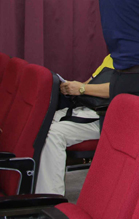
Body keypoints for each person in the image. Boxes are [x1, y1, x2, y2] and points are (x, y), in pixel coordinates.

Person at [35, 55, 113, 195]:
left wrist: (82, 89)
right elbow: (90, 84)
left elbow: (118, 88)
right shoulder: (111, 57)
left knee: (52, 133)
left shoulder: (137, 59)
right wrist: (71, 87)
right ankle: (26, 187)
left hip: (105, 116)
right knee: (37, 122)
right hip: (86, 108)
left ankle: (51, 199)